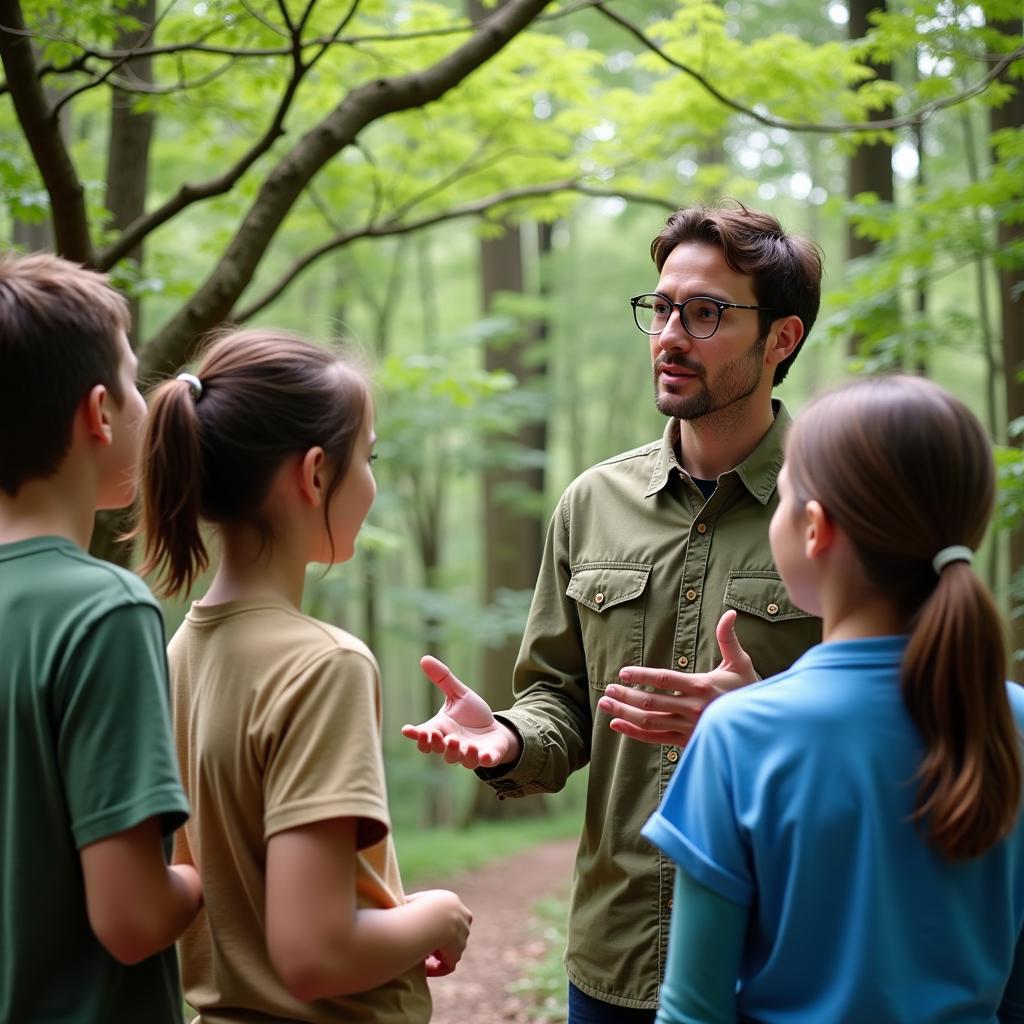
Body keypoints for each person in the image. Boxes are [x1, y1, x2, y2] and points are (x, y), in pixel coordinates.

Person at [403, 202, 824, 1020]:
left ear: (781, 339)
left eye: (705, 314)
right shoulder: (591, 504)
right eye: (661, 308)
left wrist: (761, 721)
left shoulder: (835, 502)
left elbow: (903, 720)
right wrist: (509, 737)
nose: (670, 335)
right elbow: (560, 699)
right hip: (617, 952)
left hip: (785, 955)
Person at [644, 374, 1024, 1024]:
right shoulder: (1012, 720)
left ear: (814, 528)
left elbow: (692, 1011)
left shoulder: (738, 734)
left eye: (782, 496)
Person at [135, 328, 472, 1024]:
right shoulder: (325, 665)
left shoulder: (177, 654)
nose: (372, 480)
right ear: (315, 473)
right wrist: (437, 916)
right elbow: (313, 953)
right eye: (368, 457)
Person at [0, 253, 203, 1023]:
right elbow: (132, 920)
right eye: (132, 380)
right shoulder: (102, 610)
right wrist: (207, 867)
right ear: (98, 414)